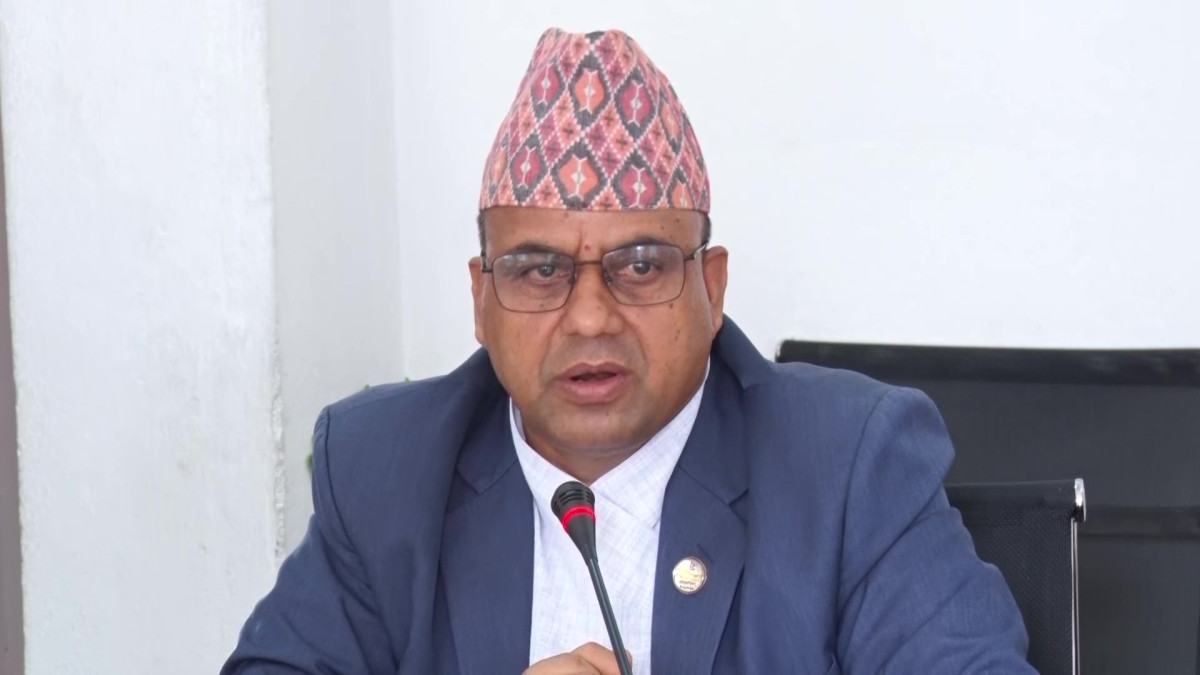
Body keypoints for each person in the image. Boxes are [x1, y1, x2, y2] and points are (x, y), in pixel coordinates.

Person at [223, 28, 1034, 674]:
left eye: (641, 265)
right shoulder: (387, 470)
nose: (588, 318)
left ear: (711, 287)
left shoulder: (847, 466)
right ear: (481, 299)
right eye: (539, 270)